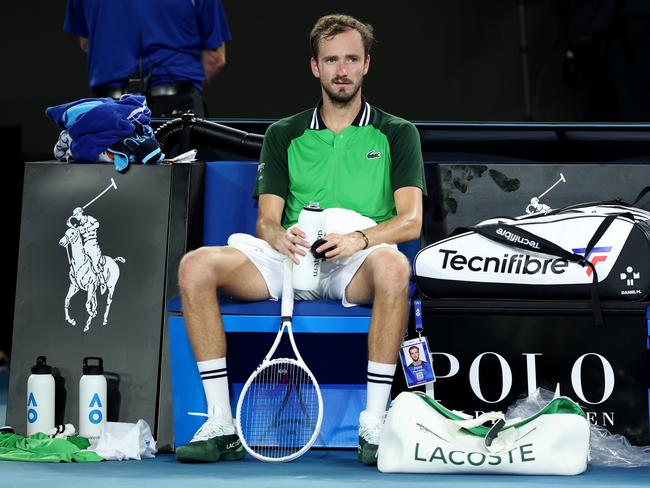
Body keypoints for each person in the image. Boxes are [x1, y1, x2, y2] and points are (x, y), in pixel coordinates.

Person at [175, 14, 426, 466]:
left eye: (351, 58)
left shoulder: (397, 133)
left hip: (356, 261)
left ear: (367, 64)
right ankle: (220, 423)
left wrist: (358, 239)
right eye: (331, 60)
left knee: (394, 267)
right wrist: (281, 237)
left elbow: (409, 221)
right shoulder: (283, 133)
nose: (342, 69)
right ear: (316, 67)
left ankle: (373, 423)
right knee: (195, 266)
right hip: (290, 259)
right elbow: (266, 222)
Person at [64, 0, 231, 117]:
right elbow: (215, 58)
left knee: (109, 167)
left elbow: (86, 42)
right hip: (178, 108)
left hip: (110, 109)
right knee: (184, 168)